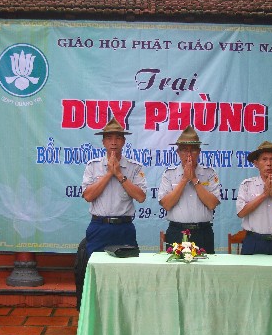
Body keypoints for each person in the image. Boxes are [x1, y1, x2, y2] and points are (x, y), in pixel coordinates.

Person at [77, 118, 147, 308]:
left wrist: (119, 175)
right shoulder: (93, 166)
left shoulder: (134, 167)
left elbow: (141, 197)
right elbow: (88, 196)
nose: (113, 142)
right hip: (99, 227)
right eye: (109, 138)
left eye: (118, 138)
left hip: (124, 228)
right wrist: (109, 173)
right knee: (95, 275)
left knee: (127, 276)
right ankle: (95, 314)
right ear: (103, 142)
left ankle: (126, 314)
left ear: (124, 141)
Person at [158, 126, 221, 254]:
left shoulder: (209, 173)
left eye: (193, 150)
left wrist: (194, 179)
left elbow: (212, 204)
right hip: (177, 232)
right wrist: (184, 180)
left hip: (203, 232)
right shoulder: (169, 174)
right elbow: (166, 204)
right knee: (175, 266)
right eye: (184, 150)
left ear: (199, 152)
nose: (189, 155)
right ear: (178, 152)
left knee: (206, 266)